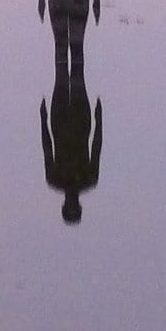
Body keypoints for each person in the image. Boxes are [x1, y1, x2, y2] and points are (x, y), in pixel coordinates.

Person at [41, 62, 103, 224]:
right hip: (81, 122)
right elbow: (96, 148)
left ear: (64, 205)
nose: (72, 202)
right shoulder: (89, 179)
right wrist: (99, 122)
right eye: (74, 207)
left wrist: (43, 121)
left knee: (62, 74)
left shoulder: (54, 178)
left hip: (60, 121)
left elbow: (47, 148)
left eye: (69, 207)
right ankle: (73, 38)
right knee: (77, 74)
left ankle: (63, 37)